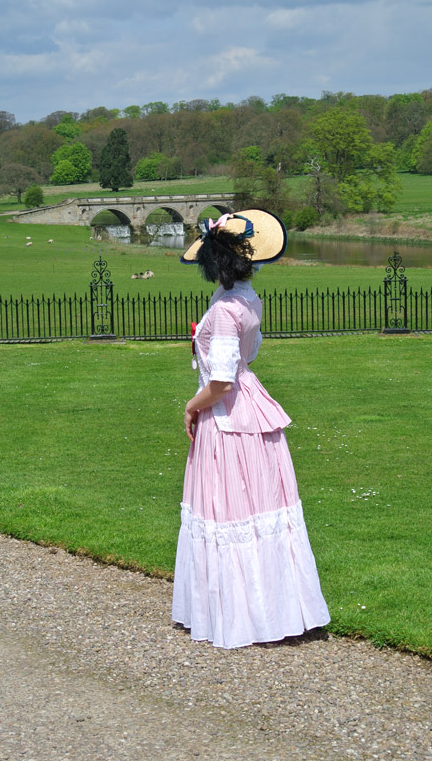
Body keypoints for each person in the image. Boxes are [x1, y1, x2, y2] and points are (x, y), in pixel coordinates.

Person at [172, 209, 330, 649]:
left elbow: (222, 382)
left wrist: (191, 406)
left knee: (231, 507)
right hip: (251, 404)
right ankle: (274, 610)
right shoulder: (246, 298)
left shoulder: (225, 309)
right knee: (259, 505)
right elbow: (248, 357)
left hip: (229, 419)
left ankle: (244, 616)